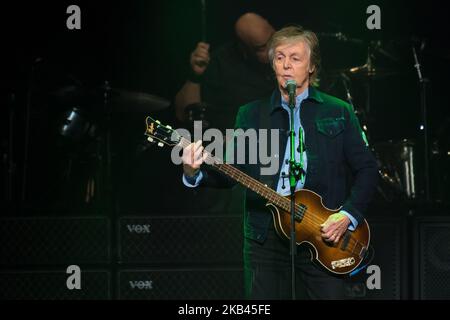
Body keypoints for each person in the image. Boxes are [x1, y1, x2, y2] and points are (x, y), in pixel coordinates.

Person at [180, 25, 379, 299]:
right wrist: (194, 171)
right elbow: (231, 172)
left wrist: (348, 215)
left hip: (324, 232)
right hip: (266, 237)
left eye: (295, 58)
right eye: (279, 57)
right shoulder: (251, 114)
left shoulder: (338, 111)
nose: (286, 65)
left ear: (312, 66)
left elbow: (367, 168)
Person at [175, 12, 276, 132]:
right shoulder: (221, 65)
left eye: (273, 38)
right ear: (243, 49)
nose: (273, 49)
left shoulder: (290, 48)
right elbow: (185, 115)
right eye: (262, 47)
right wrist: (195, 76)